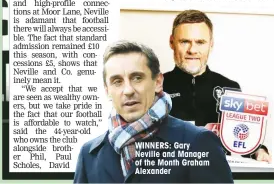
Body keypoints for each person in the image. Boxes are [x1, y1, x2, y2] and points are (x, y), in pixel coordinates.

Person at [73, 41, 232, 183]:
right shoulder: (89, 154)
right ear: (107, 91)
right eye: (117, 81)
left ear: (157, 82)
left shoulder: (198, 143)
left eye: (137, 78)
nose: (128, 90)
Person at [162, 11, 239, 127]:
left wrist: (258, 145)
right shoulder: (153, 89)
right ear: (172, 43)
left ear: (211, 44)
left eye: (200, 42)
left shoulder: (230, 89)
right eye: (184, 42)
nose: (192, 50)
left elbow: (241, 136)